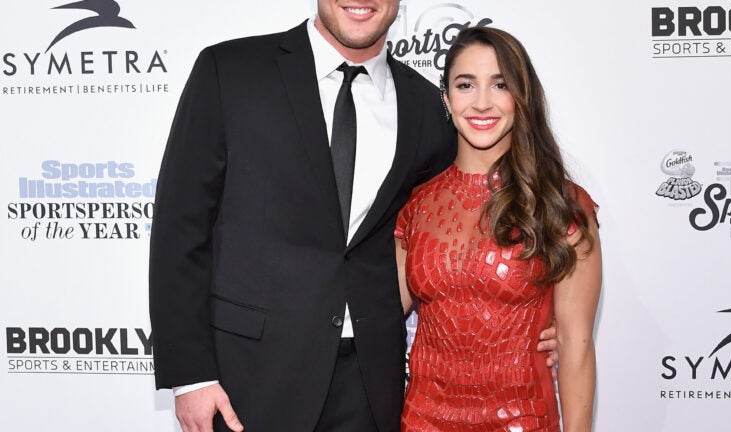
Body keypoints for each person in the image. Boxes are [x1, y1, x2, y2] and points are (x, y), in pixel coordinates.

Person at [149, 2, 558, 431]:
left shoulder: (428, 108)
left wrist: (538, 330)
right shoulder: (231, 71)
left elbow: (456, 234)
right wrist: (190, 376)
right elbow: (181, 227)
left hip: (370, 386)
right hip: (247, 379)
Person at [395, 26, 601, 432]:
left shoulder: (562, 205)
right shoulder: (418, 203)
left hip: (521, 419)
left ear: (520, 97)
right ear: (447, 97)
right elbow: (378, 313)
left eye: (500, 84)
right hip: (422, 419)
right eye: (466, 84)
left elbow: (576, 347)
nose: (482, 103)